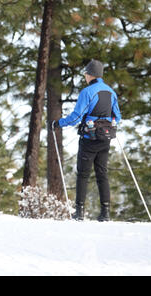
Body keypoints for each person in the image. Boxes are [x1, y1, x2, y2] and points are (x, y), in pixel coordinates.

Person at [50, 59, 121, 222]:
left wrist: (58, 123)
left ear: (90, 75)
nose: (85, 77)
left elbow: (76, 117)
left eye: (86, 74)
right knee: (102, 174)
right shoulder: (111, 92)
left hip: (89, 138)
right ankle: (105, 213)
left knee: (83, 174)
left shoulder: (87, 92)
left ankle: (79, 212)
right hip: (105, 139)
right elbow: (118, 116)